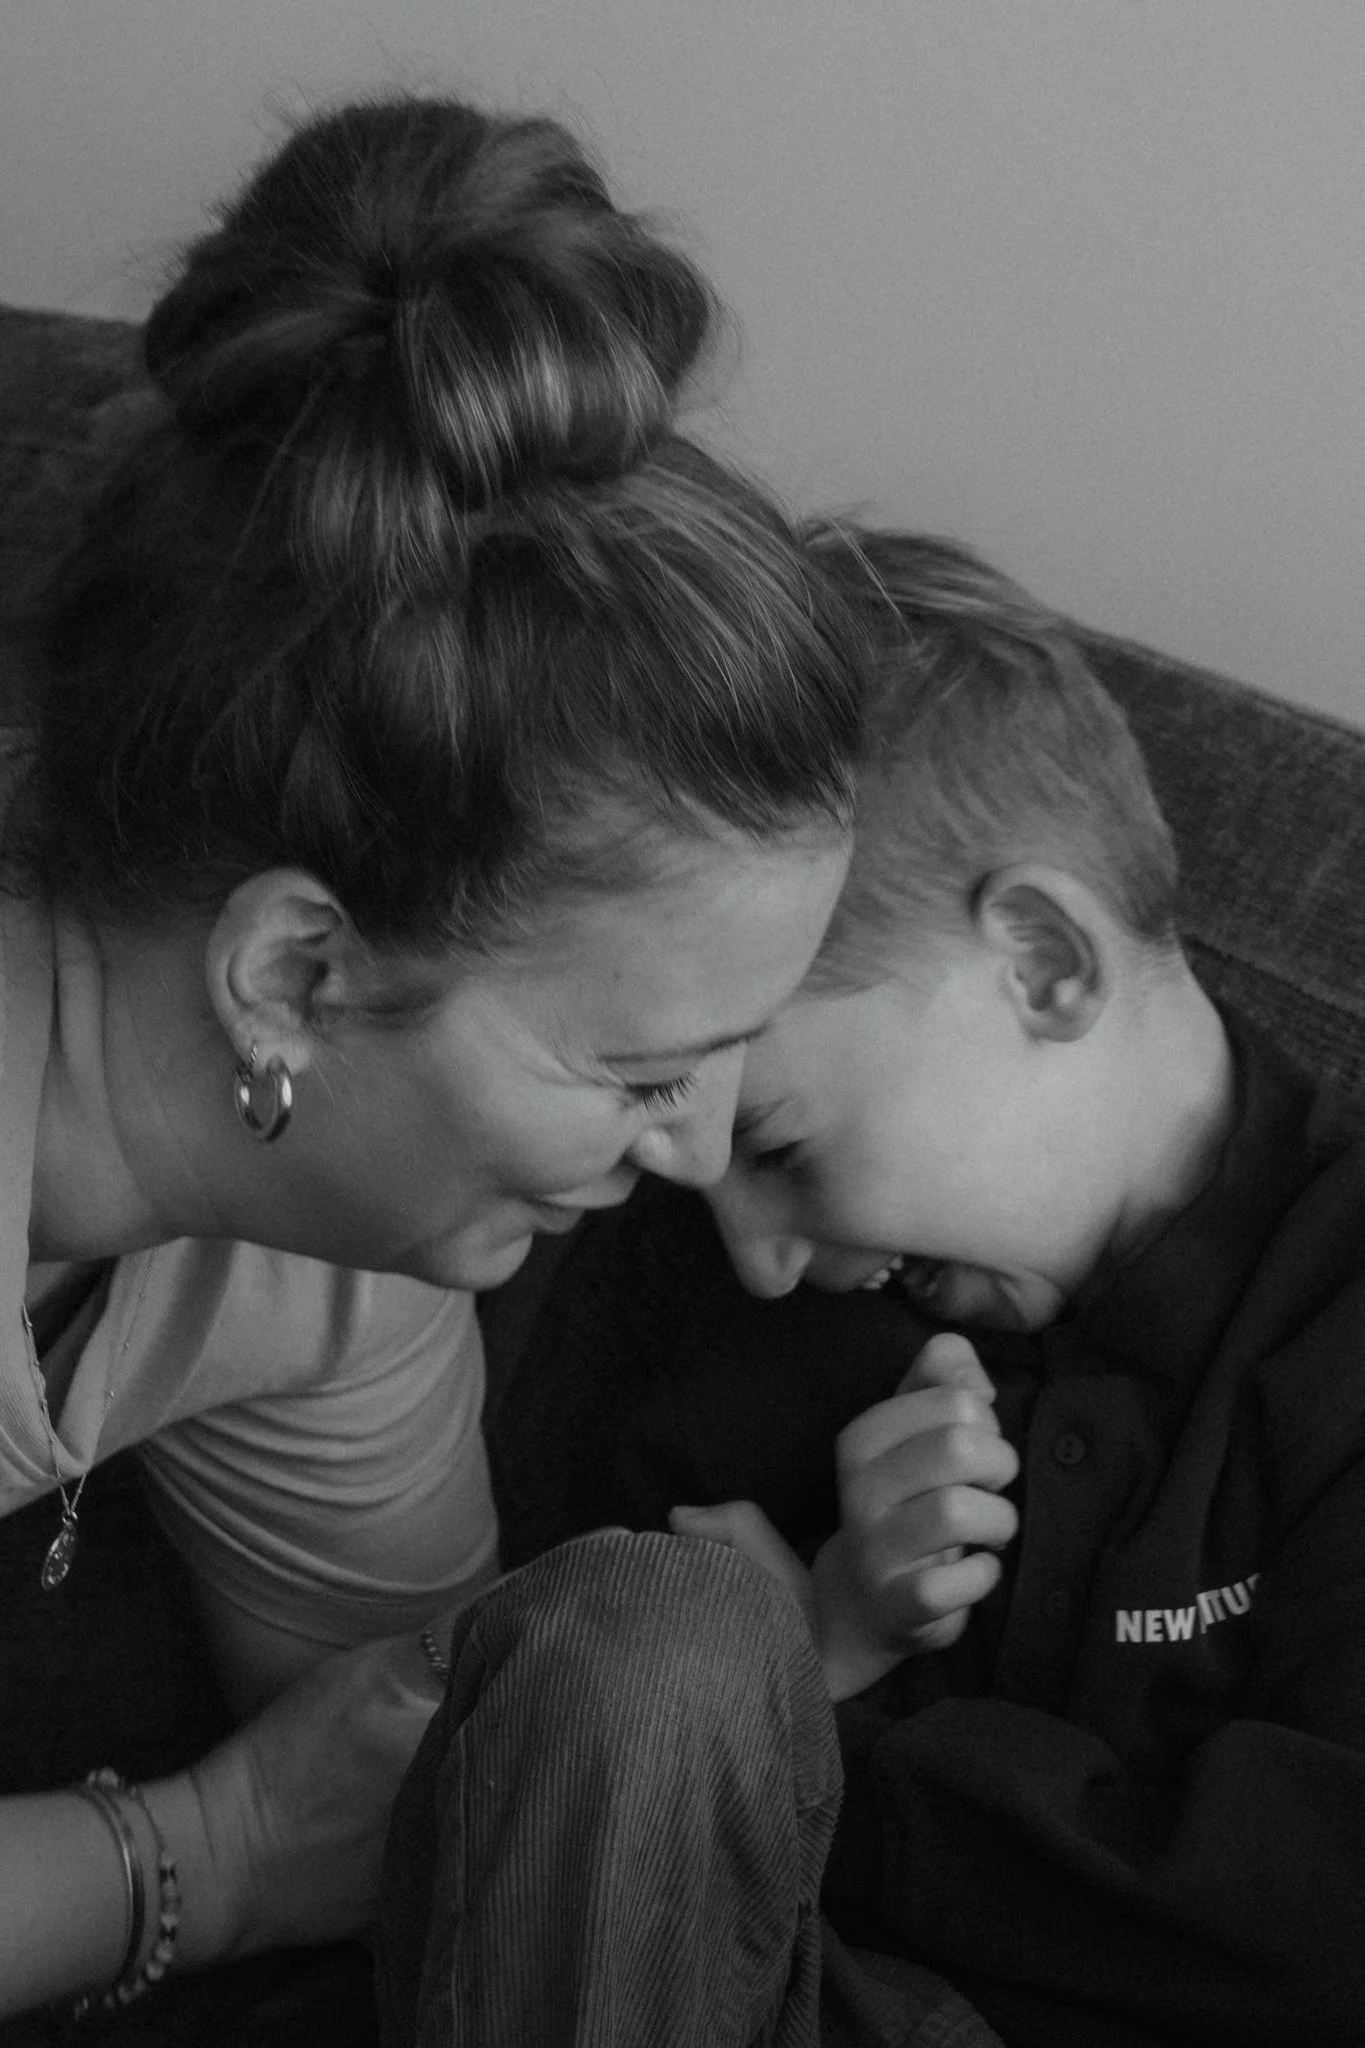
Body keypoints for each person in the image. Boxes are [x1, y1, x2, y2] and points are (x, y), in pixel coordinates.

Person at [0, 93, 865, 2034]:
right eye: (644, 1068)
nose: (702, 1151)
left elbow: (414, 1784)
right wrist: (192, 1857)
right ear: (295, 970)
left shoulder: (339, 1238)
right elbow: (277, 1834)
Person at [384, 530, 1365, 2047]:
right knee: (651, 1648)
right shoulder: (745, 1323)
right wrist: (808, 1641)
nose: (762, 1258)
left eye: (778, 1144)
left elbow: (1316, 1926)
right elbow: (539, 1808)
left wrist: (826, 1723)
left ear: (1043, 965)